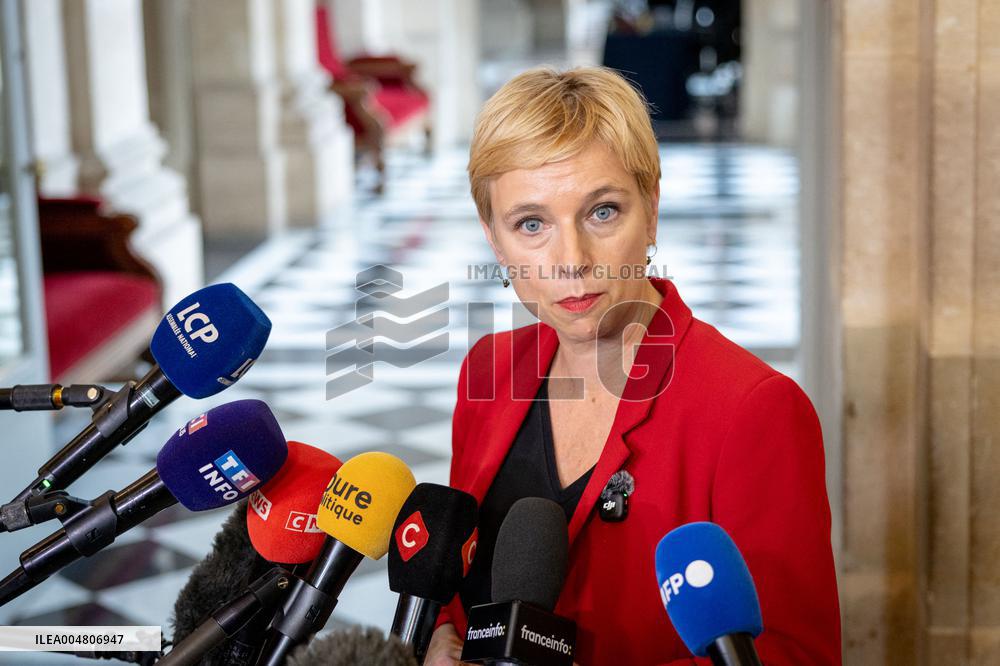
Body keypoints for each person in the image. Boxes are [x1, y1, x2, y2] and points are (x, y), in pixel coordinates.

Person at [423, 66, 841, 665]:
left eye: (602, 212)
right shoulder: (489, 370)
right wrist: (439, 632)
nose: (571, 260)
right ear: (495, 240)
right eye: (531, 224)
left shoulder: (755, 409)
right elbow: (457, 566)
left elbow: (795, 655)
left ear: (651, 208)